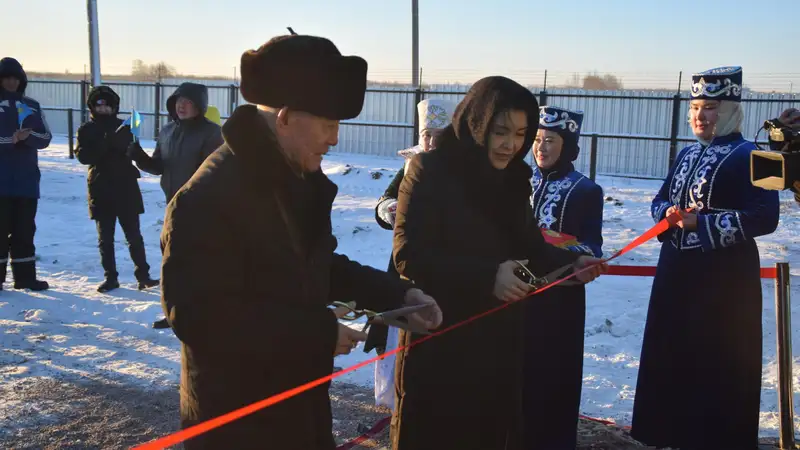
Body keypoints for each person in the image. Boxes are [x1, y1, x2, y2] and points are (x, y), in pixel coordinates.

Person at [158, 34, 443, 450]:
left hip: (297, 406)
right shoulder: (209, 196)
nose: (335, 139)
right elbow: (198, 315)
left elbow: (318, 264)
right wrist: (314, 335)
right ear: (285, 118)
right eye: (329, 125)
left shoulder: (292, 180)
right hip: (240, 421)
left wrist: (399, 294)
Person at [390, 76, 607, 450]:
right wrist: (488, 276)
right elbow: (409, 256)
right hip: (442, 337)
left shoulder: (512, 179)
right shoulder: (430, 171)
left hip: (499, 342)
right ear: (477, 123)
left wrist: (574, 263)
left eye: (522, 133)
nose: (512, 145)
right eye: (501, 131)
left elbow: (530, 246)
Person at [630, 66, 780, 450]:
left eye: (711, 107)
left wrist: (702, 223)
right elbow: (660, 198)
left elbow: (766, 218)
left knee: (716, 360)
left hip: (724, 281)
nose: (700, 115)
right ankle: (668, 432)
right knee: (674, 353)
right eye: (696, 106)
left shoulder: (760, 155)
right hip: (676, 272)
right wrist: (665, 213)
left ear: (731, 109)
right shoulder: (685, 153)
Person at [367, 98, 456, 410]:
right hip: (403, 265)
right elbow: (384, 201)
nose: (429, 142)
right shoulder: (410, 164)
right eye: (425, 134)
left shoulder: (457, 170)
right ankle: (394, 401)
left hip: (441, 268)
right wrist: (388, 209)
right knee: (396, 334)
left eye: (436, 135)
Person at [524, 106, 604, 450]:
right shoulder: (517, 180)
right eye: (538, 139)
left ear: (567, 145)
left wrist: (556, 246)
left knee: (553, 369)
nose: (541, 147)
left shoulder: (586, 190)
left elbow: (592, 245)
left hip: (560, 294)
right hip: (515, 289)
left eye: (550, 140)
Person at [127, 81, 223, 328]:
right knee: (172, 264)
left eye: (188, 101)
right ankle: (176, 314)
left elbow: (215, 172)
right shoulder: (168, 131)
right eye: (178, 100)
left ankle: (203, 313)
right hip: (173, 207)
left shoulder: (212, 133)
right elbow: (159, 166)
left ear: (199, 105)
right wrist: (139, 156)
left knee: (197, 264)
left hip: (201, 209)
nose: (182, 105)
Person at [75, 86, 159, 293]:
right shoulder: (86, 130)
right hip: (100, 188)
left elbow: (136, 152)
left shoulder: (126, 127)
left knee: (134, 236)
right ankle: (110, 277)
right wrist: (105, 143)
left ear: (114, 106)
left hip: (126, 187)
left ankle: (143, 275)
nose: (103, 108)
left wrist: (151, 163)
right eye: (98, 104)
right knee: (106, 239)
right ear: (92, 106)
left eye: (107, 104)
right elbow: (84, 157)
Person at [0, 57, 51, 292]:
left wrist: (27, 137)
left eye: (15, 78)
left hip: (27, 181)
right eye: (6, 78)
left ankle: (25, 278)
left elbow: (45, 137)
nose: (11, 82)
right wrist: (11, 140)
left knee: (24, 231)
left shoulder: (32, 105)